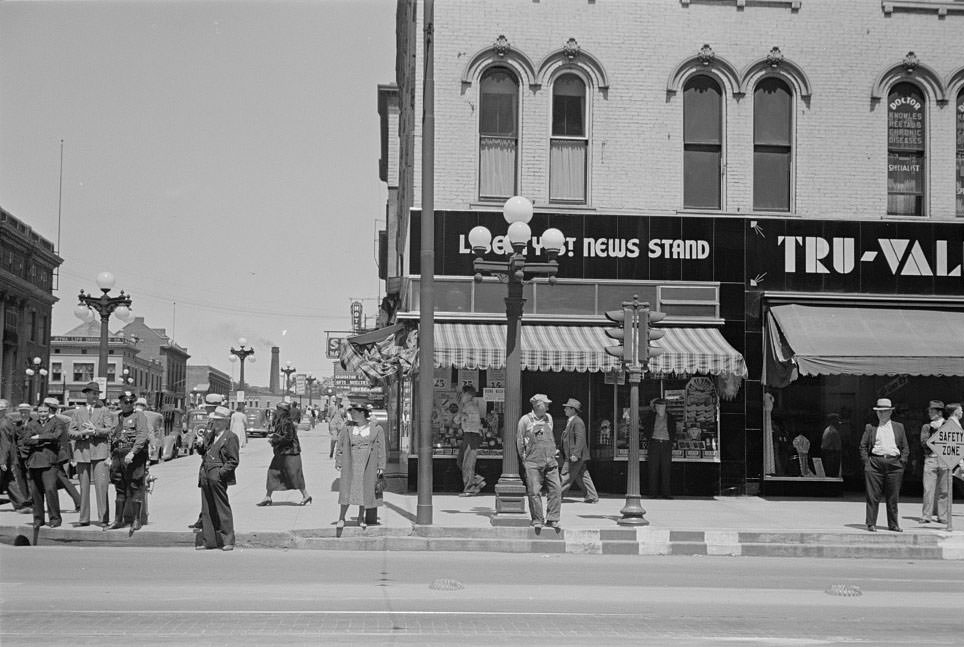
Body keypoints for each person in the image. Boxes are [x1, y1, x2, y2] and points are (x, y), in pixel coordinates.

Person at [334, 400, 386, 529]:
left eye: (355, 412)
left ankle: (360, 517)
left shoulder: (376, 429)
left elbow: (381, 448)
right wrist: (339, 461)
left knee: (365, 490)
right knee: (347, 490)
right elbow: (340, 445)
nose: (352, 415)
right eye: (351, 412)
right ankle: (341, 518)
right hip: (350, 461)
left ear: (363, 413)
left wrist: (381, 466)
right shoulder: (347, 428)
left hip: (369, 463)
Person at [859, 398, 909, 532]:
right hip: (875, 463)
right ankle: (871, 523)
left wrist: (902, 462)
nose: (881, 414)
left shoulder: (899, 427)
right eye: (879, 411)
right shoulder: (871, 427)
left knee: (893, 496)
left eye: (884, 411)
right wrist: (867, 463)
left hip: (894, 464)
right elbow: (863, 446)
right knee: (872, 495)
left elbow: (905, 447)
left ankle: (893, 524)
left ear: (890, 412)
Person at [194, 405, 239, 551]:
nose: (216, 423)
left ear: (226, 422)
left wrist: (221, 473)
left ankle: (228, 540)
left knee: (222, 507)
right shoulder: (210, 435)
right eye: (214, 420)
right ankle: (209, 541)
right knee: (207, 508)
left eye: (219, 421)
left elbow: (233, 460)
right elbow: (203, 451)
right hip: (206, 473)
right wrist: (199, 444)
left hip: (217, 474)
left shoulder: (230, 437)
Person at [68, 382, 113, 527]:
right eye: (92, 393)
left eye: (97, 394)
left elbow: (110, 430)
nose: (95, 396)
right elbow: (70, 432)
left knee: (101, 486)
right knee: (84, 487)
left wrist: (95, 430)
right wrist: (82, 433)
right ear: (86, 394)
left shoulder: (104, 410)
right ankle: (84, 518)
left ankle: (103, 519)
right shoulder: (77, 411)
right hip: (82, 453)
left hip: (100, 452)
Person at [106, 391, 150, 535]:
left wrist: (133, 452)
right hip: (118, 455)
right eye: (126, 402)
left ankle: (136, 520)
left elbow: (142, 435)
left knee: (135, 486)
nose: (129, 404)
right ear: (120, 403)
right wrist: (109, 456)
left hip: (133, 456)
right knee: (119, 487)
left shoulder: (139, 416)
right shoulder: (118, 417)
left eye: (131, 402)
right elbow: (112, 437)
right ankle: (118, 520)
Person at [517, 393, 561, 529]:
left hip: (550, 461)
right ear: (537, 405)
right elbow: (520, 440)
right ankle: (537, 519)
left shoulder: (549, 418)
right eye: (545, 404)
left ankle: (553, 518)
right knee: (534, 492)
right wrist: (524, 459)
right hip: (533, 462)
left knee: (556, 489)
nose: (548, 406)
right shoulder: (525, 420)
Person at [19, 403, 64, 528]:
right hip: (34, 462)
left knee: (50, 490)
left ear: (48, 412)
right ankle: (38, 519)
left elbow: (56, 437)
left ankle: (55, 519)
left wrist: (38, 437)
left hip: (50, 462)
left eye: (45, 412)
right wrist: (45, 440)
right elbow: (26, 440)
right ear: (37, 413)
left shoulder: (56, 422)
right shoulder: (32, 424)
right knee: (36, 492)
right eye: (40, 412)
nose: (43, 414)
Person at [257, 402, 310, 506]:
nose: (277, 410)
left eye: (279, 409)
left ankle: (306, 495)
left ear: (284, 411)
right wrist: (274, 437)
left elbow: (289, 437)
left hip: (290, 453)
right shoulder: (279, 421)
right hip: (281, 452)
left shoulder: (287, 422)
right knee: (273, 472)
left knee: (294, 475)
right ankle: (268, 497)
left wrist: (275, 440)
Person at [43, 397, 81, 513]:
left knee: (62, 479)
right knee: (62, 479)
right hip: (60, 454)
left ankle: (79, 502)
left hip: (55, 455)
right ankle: (79, 502)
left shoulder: (55, 421)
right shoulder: (63, 419)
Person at [559, 398, 598, 503]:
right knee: (583, 475)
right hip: (573, 455)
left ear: (572, 409)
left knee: (566, 475)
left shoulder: (577, 422)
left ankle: (557, 495)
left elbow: (580, 438)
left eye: (566, 408)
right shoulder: (571, 421)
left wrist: (575, 454)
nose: (565, 410)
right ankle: (591, 495)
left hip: (575, 456)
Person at [920, 400, 948, 524]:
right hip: (931, 458)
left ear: (940, 412)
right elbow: (924, 442)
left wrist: (940, 430)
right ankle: (927, 515)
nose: (930, 413)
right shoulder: (927, 426)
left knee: (944, 490)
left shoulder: (948, 424)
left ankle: (942, 515)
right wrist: (934, 432)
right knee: (928, 489)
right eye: (930, 411)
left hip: (945, 459)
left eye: (933, 411)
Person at [0, 399, 32, 512]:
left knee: (9, 481)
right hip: (9, 457)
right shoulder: (7, 420)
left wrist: (2, 461)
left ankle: (22, 504)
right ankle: (21, 505)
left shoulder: (3, 424)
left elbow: (5, 443)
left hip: (4, 458)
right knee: (10, 482)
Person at [643, 397, 676, 498]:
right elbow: (646, 429)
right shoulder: (651, 417)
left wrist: (671, 442)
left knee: (666, 469)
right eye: (658, 406)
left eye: (662, 406)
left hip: (666, 444)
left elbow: (673, 430)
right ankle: (653, 493)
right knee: (653, 468)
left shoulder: (670, 417)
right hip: (654, 443)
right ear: (655, 408)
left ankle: (666, 493)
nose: (660, 409)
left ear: (665, 407)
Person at [457, 385, 486, 496]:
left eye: (462, 394)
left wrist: (462, 416)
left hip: (472, 436)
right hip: (468, 435)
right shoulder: (465, 406)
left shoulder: (472, 407)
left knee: (467, 463)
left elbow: (474, 423)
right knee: (460, 461)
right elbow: (456, 420)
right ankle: (477, 480)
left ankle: (470, 488)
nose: (461, 396)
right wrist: (461, 415)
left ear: (468, 395)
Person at [820, 413, 843, 478]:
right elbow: (837, 447)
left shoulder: (827, 429)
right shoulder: (833, 431)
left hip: (828, 454)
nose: (838, 422)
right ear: (833, 421)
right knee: (832, 474)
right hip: (832, 455)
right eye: (837, 420)